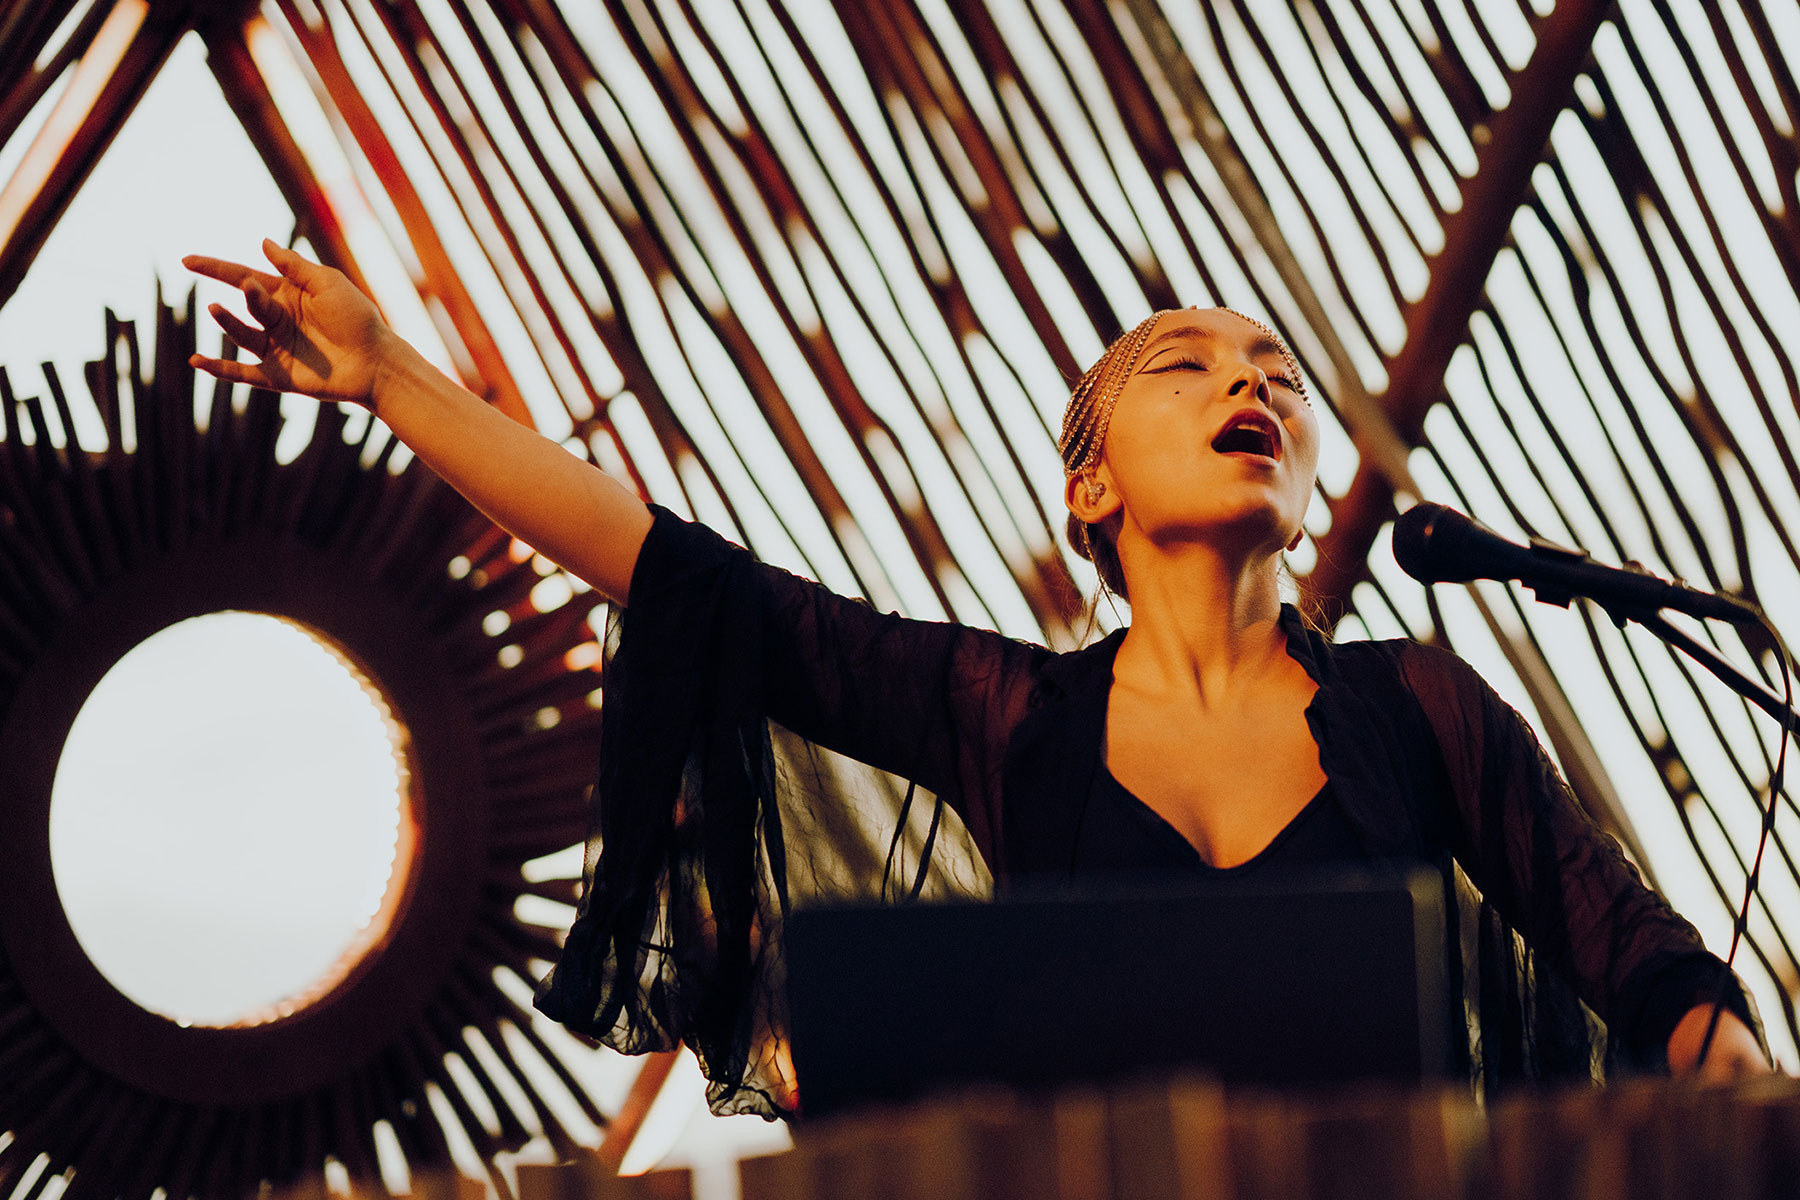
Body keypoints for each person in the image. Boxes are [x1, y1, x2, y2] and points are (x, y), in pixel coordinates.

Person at [185, 240, 1771, 1118]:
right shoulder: (1009, 718)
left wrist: (1744, 1085)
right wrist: (394, 375)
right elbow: (679, 577)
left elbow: (1638, 961)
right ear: (1089, 488)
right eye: (1190, 362)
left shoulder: (1416, 706)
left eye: (1277, 373)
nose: (1254, 381)